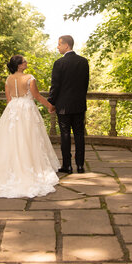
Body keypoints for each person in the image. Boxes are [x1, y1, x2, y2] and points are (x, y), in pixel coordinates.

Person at [0, 55, 60, 198]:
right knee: (29, 138)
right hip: (26, 109)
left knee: (10, 138)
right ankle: (29, 166)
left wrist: (14, 110)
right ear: (19, 65)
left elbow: (8, 99)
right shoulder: (30, 78)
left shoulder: (8, 79)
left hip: (13, 109)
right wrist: (50, 106)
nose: (26, 62)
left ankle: (10, 166)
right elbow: (37, 96)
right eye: (24, 61)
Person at [48, 35, 90, 174]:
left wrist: (51, 102)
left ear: (66, 46)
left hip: (64, 106)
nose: (57, 47)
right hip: (79, 105)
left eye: (59, 44)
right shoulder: (83, 62)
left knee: (65, 135)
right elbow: (85, 84)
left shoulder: (59, 63)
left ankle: (67, 165)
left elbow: (55, 86)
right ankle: (80, 166)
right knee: (79, 135)